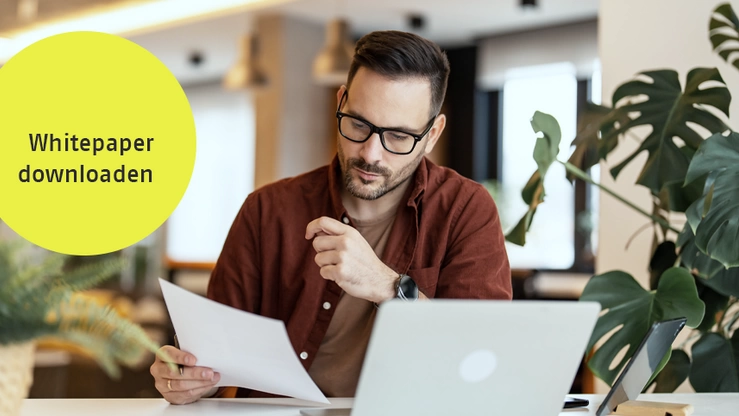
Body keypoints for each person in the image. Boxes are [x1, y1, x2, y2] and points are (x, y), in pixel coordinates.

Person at [150, 30, 511, 405]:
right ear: (341, 101)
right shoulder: (266, 210)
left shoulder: (466, 210)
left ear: (432, 133)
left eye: (399, 137)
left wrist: (387, 287)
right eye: (358, 124)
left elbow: (480, 357)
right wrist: (191, 378)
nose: (371, 153)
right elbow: (215, 355)